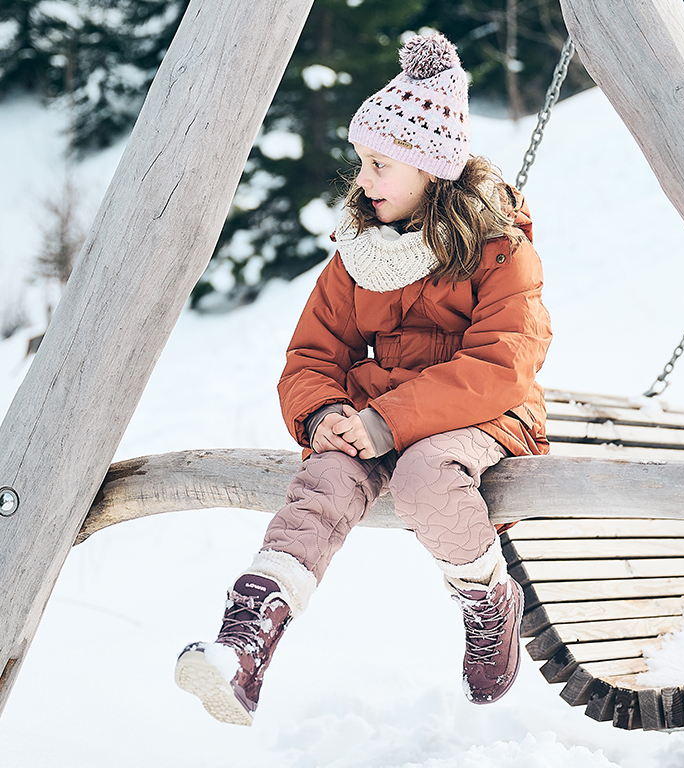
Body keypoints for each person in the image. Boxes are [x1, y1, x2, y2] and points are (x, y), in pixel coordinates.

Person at [174, 32, 552, 727]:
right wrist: (323, 417)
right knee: (326, 476)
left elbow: (503, 363)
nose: (364, 180)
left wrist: (384, 422)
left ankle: (486, 598)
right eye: (362, 162)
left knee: (426, 473)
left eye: (379, 164)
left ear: (431, 170)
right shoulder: (358, 256)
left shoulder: (502, 252)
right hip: (379, 416)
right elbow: (313, 354)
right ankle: (247, 640)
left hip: (486, 415)